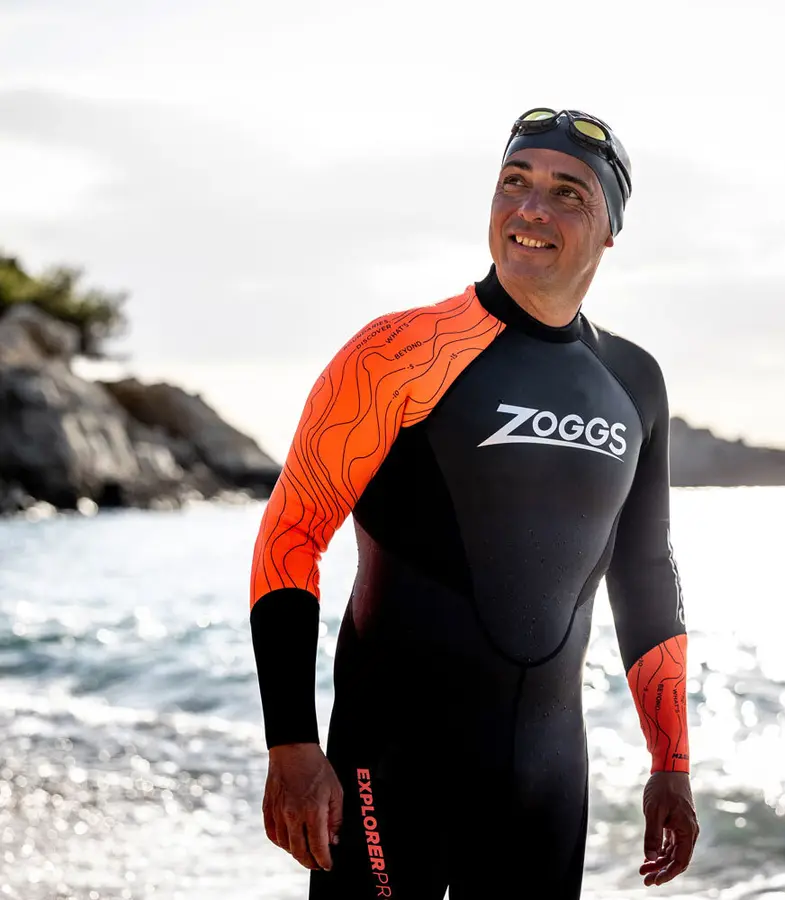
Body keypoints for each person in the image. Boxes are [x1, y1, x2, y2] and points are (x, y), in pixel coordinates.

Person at [249, 107, 700, 899]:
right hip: (390, 764)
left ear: (610, 231)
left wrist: (672, 764)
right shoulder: (397, 353)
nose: (531, 208)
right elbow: (291, 534)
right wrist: (290, 744)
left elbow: (645, 573)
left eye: (568, 193)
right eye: (514, 183)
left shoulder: (634, 382)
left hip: (548, 780)